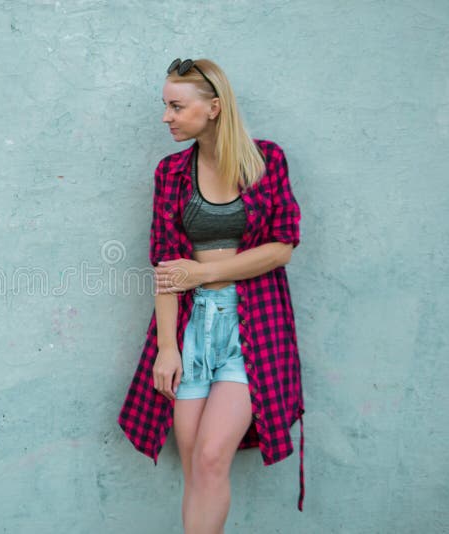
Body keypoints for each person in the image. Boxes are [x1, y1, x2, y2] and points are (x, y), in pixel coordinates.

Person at [117, 58, 305, 532]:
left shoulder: (267, 160)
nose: (167, 117)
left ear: (214, 108)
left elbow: (281, 248)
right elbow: (165, 266)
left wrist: (203, 272)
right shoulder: (170, 173)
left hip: (252, 328)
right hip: (191, 329)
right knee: (195, 466)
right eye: (166, 106)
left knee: (213, 455)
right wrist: (166, 348)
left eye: (177, 106)